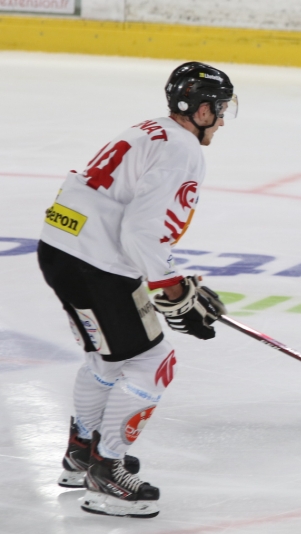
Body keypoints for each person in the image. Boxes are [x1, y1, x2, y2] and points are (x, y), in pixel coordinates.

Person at [38, 62, 237, 518]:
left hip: (60, 250)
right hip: (94, 264)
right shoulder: (185, 150)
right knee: (154, 361)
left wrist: (169, 281)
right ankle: (107, 475)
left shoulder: (151, 129)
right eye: (218, 109)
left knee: (107, 357)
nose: (222, 120)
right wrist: (171, 287)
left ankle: (81, 455)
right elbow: (142, 234)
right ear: (199, 109)